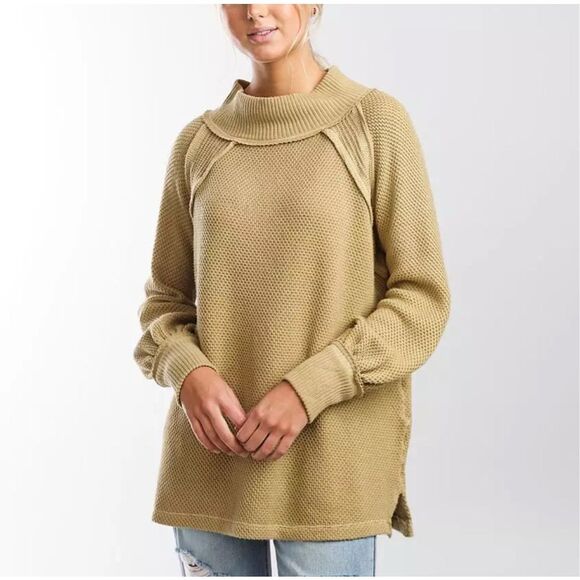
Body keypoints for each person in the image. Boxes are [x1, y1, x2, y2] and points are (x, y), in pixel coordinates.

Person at [133, 3, 451, 576]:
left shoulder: (374, 123)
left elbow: (421, 299)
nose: (255, 10)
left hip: (331, 468)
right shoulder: (198, 144)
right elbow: (164, 303)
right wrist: (188, 372)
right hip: (211, 465)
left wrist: (309, 389)